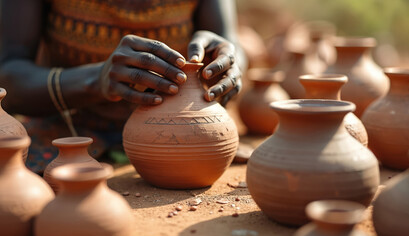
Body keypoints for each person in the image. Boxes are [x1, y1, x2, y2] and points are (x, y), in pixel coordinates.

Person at [0, 0, 247, 174]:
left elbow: (230, 42)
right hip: (68, 132)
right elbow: (8, 73)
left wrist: (229, 62)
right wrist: (96, 80)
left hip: (181, 138)